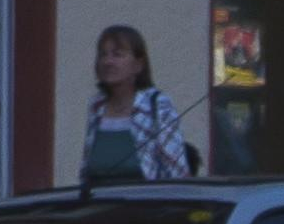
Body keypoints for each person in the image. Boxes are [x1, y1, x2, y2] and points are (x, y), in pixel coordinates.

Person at [74, 29, 194, 184]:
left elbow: (177, 172)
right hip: (100, 206)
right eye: (103, 54)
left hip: (146, 205)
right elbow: (87, 170)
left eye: (117, 55)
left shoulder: (156, 105)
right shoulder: (97, 107)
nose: (108, 62)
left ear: (138, 65)